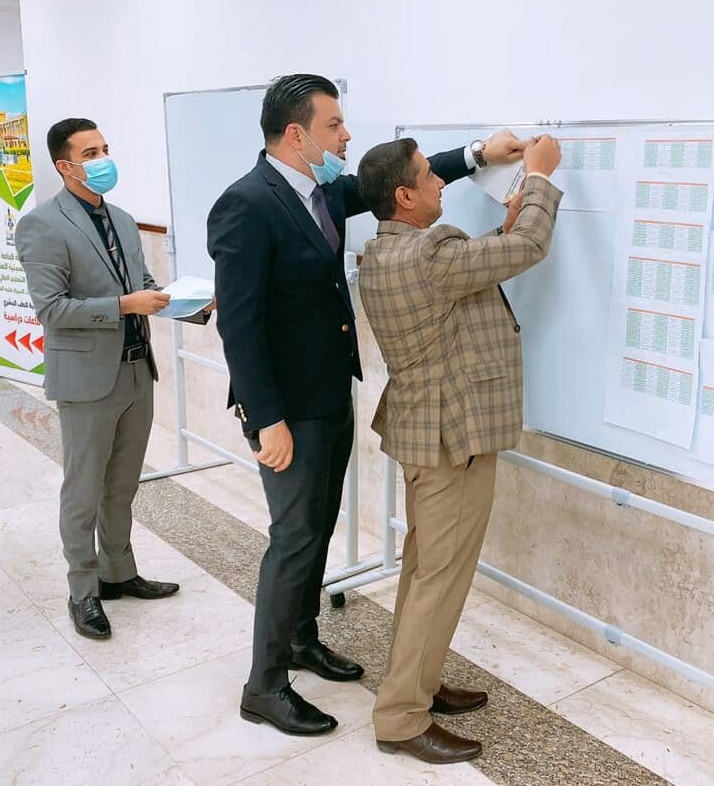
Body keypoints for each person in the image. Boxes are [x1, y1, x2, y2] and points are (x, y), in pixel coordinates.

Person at [208, 74, 527, 736]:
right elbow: (238, 324)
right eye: (333, 125)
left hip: (330, 394)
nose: (346, 135)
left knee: (319, 527)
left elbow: (390, 184)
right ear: (295, 134)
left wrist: (477, 154)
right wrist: (265, 419)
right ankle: (264, 685)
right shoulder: (247, 203)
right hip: (287, 409)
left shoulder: (319, 193)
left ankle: (302, 639)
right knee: (293, 537)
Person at [354, 133, 563, 763]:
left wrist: (506, 222)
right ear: (404, 196)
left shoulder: (385, 252)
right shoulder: (430, 254)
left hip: (427, 433)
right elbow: (528, 247)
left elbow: (472, 269)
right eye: (429, 175)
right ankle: (401, 716)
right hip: (453, 439)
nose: (440, 182)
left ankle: (416, 681)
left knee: (425, 571)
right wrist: (540, 177)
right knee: (438, 580)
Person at [17, 118, 211, 641]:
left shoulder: (122, 220)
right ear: (65, 166)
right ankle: (83, 590)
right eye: (91, 153)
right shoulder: (42, 225)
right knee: (84, 490)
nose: (103, 159)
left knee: (122, 486)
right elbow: (52, 309)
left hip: (136, 371)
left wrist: (189, 302)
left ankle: (118, 572)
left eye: (105, 148)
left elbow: (143, 286)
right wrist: (125, 304)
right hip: (86, 379)